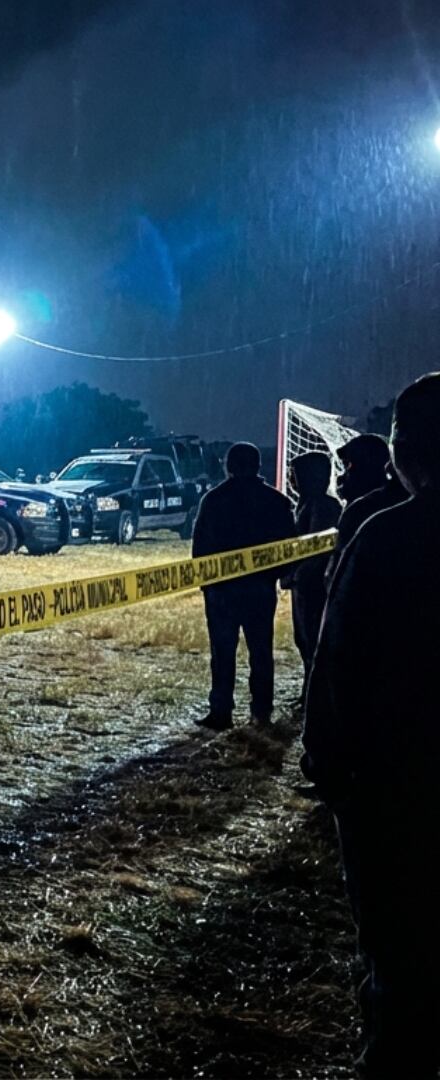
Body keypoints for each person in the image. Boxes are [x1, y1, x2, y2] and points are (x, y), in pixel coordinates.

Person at [303, 372, 440, 1076]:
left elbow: (337, 659)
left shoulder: (385, 538)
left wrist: (327, 765)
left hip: (396, 788)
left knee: (400, 967)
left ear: (404, 453)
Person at [189, 442, 296, 730]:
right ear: (258, 466)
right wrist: (277, 575)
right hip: (260, 589)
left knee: (222, 651)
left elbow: (200, 545)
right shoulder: (277, 501)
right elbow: (288, 546)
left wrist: (205, 582)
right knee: (261, 651)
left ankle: (221, 711)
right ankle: (261, 712)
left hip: (222, 590)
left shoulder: (214, 500)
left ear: (229, 465)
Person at [284, 451, 341, 685]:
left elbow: (317, 548)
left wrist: (297, 574)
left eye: (294, 474)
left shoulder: (323, 505)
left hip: (313, 583)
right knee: (303, 638)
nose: (290, 479)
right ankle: (308, 687)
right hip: (301, 583)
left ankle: (314, 689)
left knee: (312, 637)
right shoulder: (305, 503)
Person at [330, 433, 407, 577]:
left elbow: (336, 577)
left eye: (349, 465)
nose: (342, 476)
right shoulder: (400, 502)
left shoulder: (361, 510)